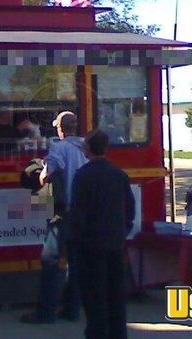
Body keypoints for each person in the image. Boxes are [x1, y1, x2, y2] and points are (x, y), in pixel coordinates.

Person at [20, 110, 87, 324]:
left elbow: (46, 174)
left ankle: (45, 312)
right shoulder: (86, 146)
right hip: (82, 215)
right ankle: (72, 309)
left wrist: (39, 169)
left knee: (50, 260)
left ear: (60, 128)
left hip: (62, 212)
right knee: (75, 262)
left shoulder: (59, 148)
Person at [69, 129, 135, 339]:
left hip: (90, 245)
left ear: (87, 150)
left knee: (93, 296)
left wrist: (75, 240)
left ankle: (97, 334)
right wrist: (122, 231)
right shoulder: (119, 175)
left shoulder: (83, 176)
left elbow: (78, 212)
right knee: (116, 295)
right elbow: (130, 209)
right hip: (115, 243)